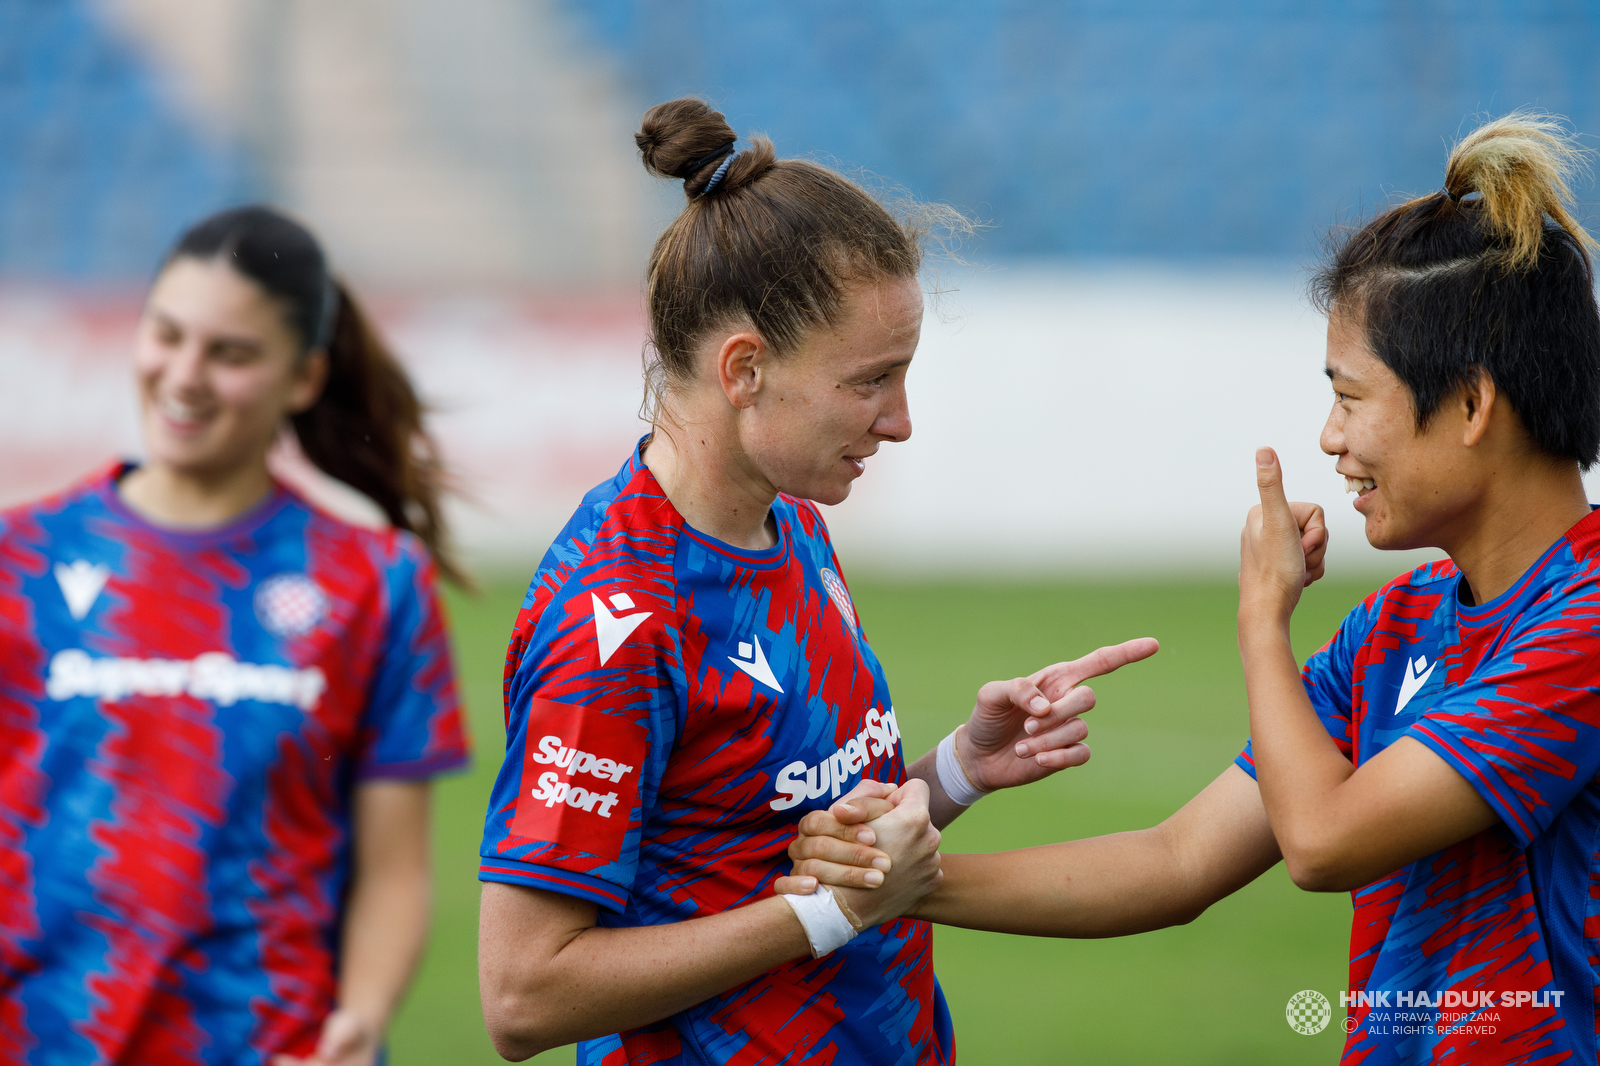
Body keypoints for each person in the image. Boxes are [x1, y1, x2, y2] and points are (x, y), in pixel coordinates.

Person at [783, 112, 1600, 1064]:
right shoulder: (1398, 625)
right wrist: (898, 885)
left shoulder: (1581, 623)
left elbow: (1325, 843)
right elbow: (1174, 863)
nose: (1330, 438)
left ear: (1470, 405)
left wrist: (1262, 620)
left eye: (1348, 395)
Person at [474, 97, 1158, 1065]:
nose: (901, 419)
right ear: (744, 369)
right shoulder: (613, 617)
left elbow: (798, 846)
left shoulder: (790, 523)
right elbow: (523, 994)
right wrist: (822, 918)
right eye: (870, 380)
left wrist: (958, 767)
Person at [0, 206, 469, 1065]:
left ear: (302, 378)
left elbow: (397, 869)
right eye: (166, 335)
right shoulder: (20, 557)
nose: (184, 374)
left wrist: (360, 1021)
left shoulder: (376, 582)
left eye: (230, 353)